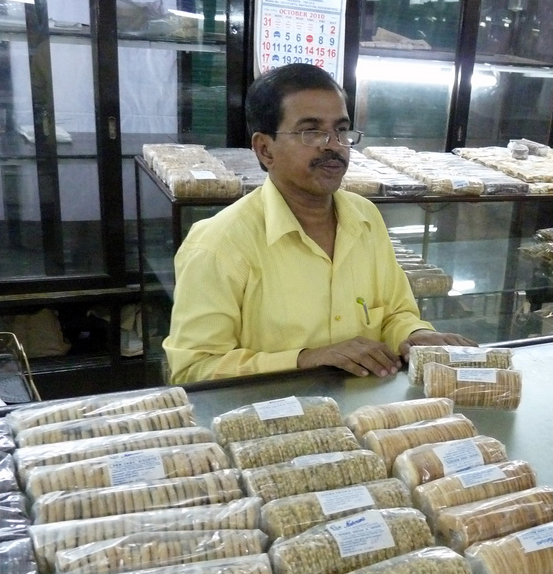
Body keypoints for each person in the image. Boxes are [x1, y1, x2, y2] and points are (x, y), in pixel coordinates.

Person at [164, 64, 474, 384]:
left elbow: (396, 312)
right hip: (276, 425)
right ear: (265, 149)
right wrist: (305, 360)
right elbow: (192, 369)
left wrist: (414, 334)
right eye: (311, 132)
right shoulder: (218, 245)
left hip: (368, 416)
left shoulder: (365, 218)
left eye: (341, 130)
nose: (334, 145)